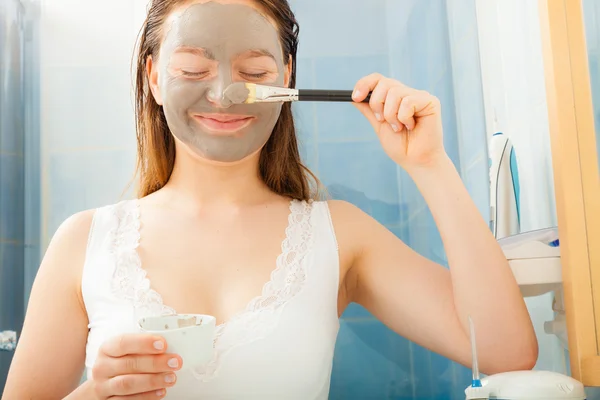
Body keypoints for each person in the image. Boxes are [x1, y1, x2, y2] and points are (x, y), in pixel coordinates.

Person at [2, 0, 538, 399]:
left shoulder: (339, 234)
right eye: (192, 70)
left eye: (254, 73)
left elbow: (503, 351)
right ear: (155, 80)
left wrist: (430, 165)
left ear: (286, 79)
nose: (223, 93)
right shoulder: (84, 242)